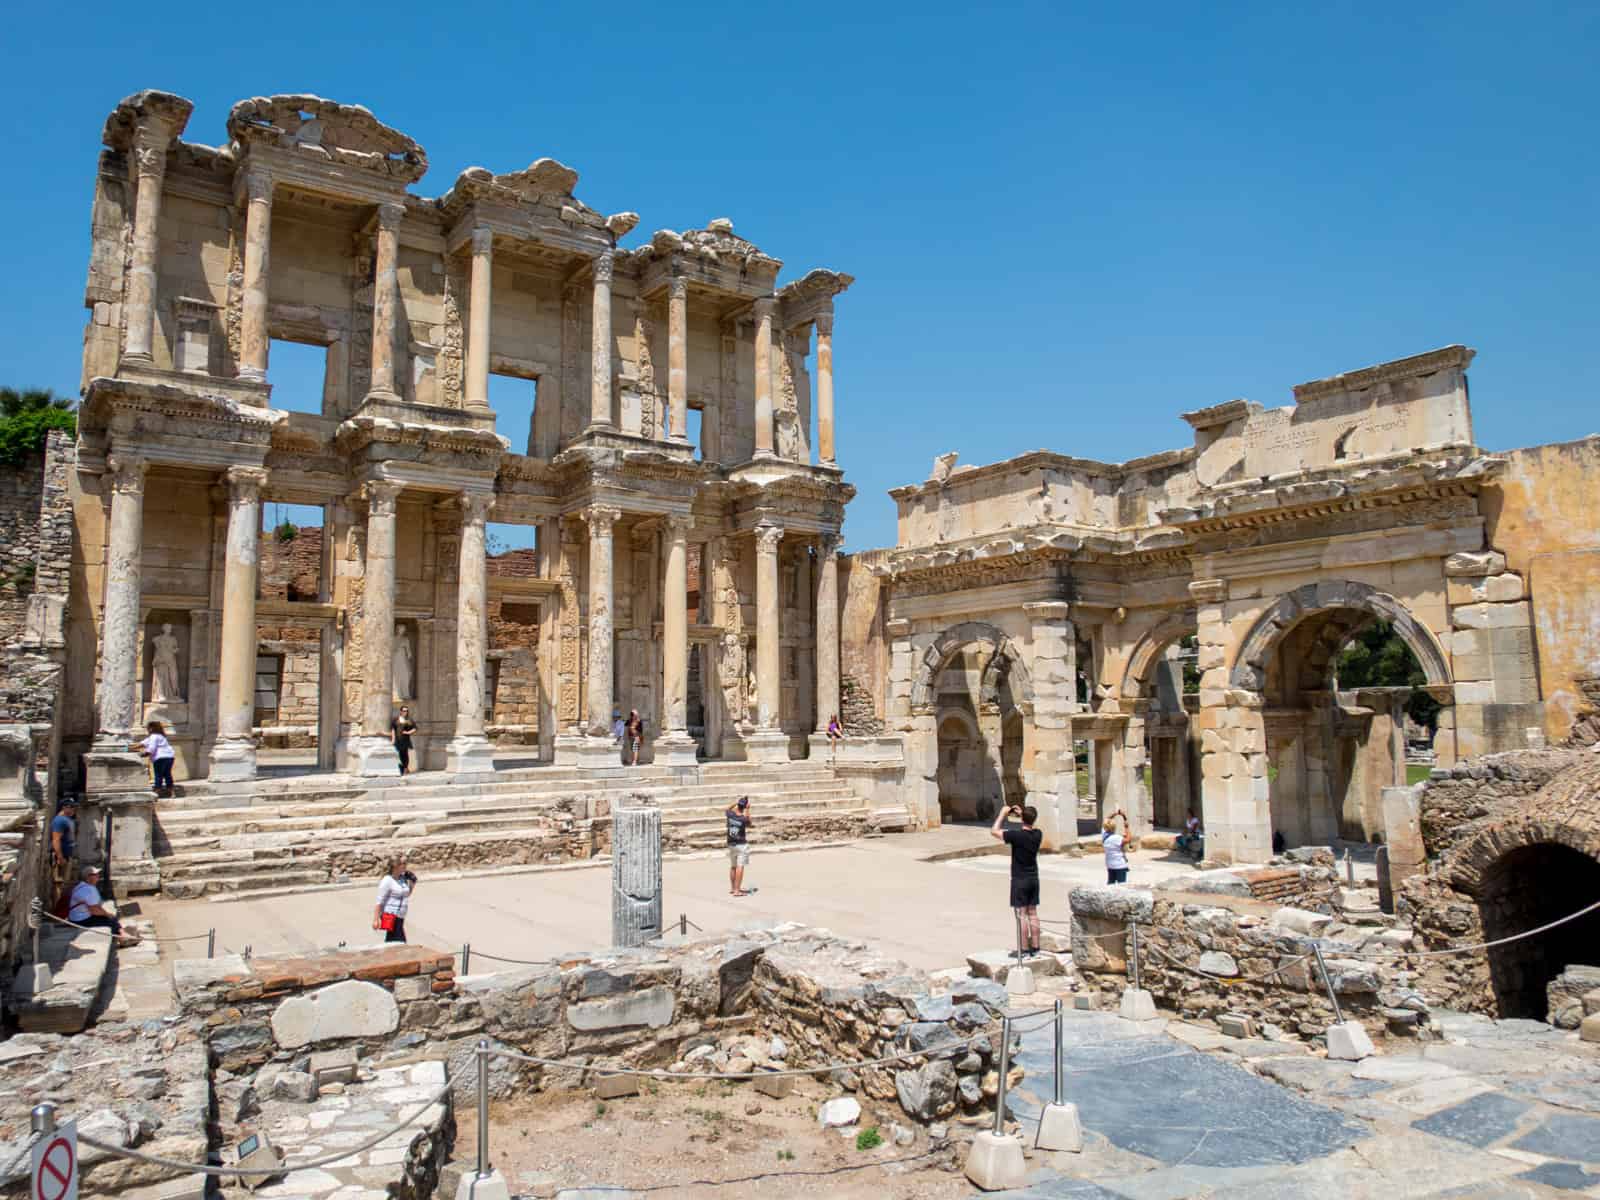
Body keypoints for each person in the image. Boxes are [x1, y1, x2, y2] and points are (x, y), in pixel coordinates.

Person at [991, 803, 1043, 957]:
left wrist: (1002, 814)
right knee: (1033, 913)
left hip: (1020, 879)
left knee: (1022, 915)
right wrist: (1024, 815)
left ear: (1022, 819)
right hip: (1034, 878)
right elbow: (1031, 823)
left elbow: (994, 831)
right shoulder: (1038, 834)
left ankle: (1025, 949)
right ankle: (1036, 947)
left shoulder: (1016, 835)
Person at [69, 865, 138, 946]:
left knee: (109, 917)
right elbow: (94, 910)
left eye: (98, 874)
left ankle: (121, 935)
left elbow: (95, 906)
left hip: (75, 918)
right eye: (95, 874)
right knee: (110, 919)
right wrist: (107, 914)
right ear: (88, 878)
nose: (98, 876)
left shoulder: (81, 886)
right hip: (81, 920)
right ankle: (123, 937)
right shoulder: (89, 889)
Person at [373, 855, 416, 943]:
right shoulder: (387, 880)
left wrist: (412, 884)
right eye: (403, 864)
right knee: (400, 942)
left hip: (400, 916)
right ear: (396, 866)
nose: (405, 866)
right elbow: (379, 901)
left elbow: (406, 895)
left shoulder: (402, 879)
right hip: (391, 915)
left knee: (391, 941)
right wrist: (376, 919)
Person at [137, 721, 177, 797]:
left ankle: (157, 791)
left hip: (160, 758)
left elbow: (151, 748)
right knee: (167, 774)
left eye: (148, 728)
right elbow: (142, 744)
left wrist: (143, 754)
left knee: (158, 775)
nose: (147, 730)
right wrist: (128, 748)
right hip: (169, 757)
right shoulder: (161, 736)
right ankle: (172, 792)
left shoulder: (153, 737)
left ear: (151, 729)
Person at [726, 796, 752, 896]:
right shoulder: (743, 819)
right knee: (740, 867)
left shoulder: (730, 815)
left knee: (733, 866)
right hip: (741, 844)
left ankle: (733, 888)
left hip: (731, 844)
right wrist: (748, 809)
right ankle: (737, 890)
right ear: (744, 807)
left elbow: (727, 809)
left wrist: (735, 802)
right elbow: (749, 822)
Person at [50, 798, 78, 894]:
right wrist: (60, 857)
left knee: (67, 885)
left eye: (74, 807)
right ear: (64, 807)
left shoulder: (68, 820)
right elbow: (56, 839)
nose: (74, 809)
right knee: (60, 886)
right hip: (62, 858)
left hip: (68, 856)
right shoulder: (59, 820)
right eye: (71, 807)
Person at [1103, 809, 1131, 884]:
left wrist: (1115, 813)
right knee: (1122, 885)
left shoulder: (1104, 835)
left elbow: (1107, 819)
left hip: (1110, 864)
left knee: (1110, 883)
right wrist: (1126, 827)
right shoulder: (1117, 838)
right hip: (1119, 864)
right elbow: (1128, 839)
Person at [391, 706, 417, 775]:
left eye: (406, 711)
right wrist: (393, 739)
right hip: (397, 740)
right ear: (401, 711)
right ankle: (402, 768)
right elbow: (393, 729)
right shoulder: (395, 719)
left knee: (404, 754)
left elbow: (415, 728)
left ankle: (405, 768)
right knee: (399, 755)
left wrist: (408, 732)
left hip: (405, 740)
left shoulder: (409, 720)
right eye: (404, 710)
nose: (405, 712)